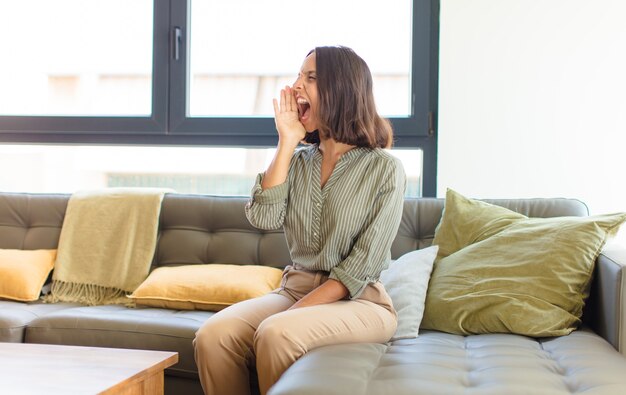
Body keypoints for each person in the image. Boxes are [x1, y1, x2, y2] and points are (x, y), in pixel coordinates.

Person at [193, 45, 406, 395]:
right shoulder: (298, 161)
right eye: (297, 76)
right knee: (213, 336)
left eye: (310, 78)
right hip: (294, 289)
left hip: (360, 301)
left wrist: (290, 314)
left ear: (342, 90)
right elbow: (263, 216)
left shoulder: (384, 169)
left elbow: (361, 265)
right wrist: (287, 141)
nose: (295, 87)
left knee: (277, 333)